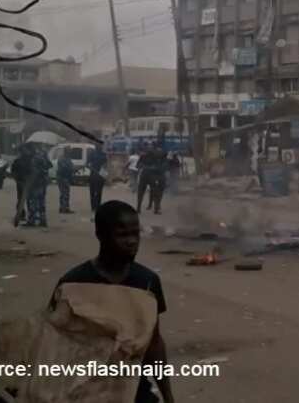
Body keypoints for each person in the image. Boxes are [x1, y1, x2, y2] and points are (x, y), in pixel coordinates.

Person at [49, 201, 174, 403]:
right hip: (84, 391)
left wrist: (168, 396)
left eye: (136, 234)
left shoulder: (147, 281)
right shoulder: (73, 284)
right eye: (122, 235)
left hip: (133, 389)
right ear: (100, 235)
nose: (132, 241)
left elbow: (154, 343)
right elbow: (54, 346)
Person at [25, 145, 52, 227]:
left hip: (35, 183)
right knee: (41, 202)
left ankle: (32, 220)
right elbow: (50, 165)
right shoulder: (43, 157)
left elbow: (33, 172)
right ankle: (43, 220)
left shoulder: (33, 159)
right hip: (43, 183)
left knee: (32, 202)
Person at [137, 144, 167, 215]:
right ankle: (155, 209)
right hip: (150, 176)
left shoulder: (145, 156)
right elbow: (138, 165)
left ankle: (139, 208)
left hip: (146, 175)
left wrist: (145, 167)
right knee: (153, 192)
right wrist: (151, 168)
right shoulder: (155, 156)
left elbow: (138, 165)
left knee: (141, 192)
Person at [11, 144, 32, 227]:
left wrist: (17, 179)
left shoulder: (20, 160)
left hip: (24, 182)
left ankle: (21, 215)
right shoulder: (28, 160)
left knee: (21, 199)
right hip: (23, 182)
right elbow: (13, 172)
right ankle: (22, 215)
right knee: (23, 199)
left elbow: (13, 172)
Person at [88, 145, 108, 213]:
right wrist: (104, 174)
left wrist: (92, 169)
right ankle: (97, 206)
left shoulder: (92, 154)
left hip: (93, 174)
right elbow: (105, 166)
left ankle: (93, 207)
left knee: (93, 192)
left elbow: (87, 164)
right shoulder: (103, 154)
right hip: (99, 175)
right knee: (98, 192)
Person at [56, 148, 75, 214]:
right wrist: (72, 169)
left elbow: (70, 167)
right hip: (63, 178)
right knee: (65, 193)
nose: (71, 153)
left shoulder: (65, 158)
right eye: (70, 152)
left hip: (62, 178)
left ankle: (62, 208)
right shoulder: (63, 159)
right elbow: (67, 168)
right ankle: (65, 208)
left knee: (63, 193)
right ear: (67, 152)